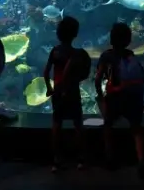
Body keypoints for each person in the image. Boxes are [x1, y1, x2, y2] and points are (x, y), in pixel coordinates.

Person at [94, 22, 144, 185]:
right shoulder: (131, 55)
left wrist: (100, 95)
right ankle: (141, 160)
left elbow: (98, 78)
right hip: (133, 98)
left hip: (115, 97)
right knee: (136, 129)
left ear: (111, 39)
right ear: (128, 40)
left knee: (108, 126)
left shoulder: (106, 56)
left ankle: (110, 158)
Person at [43, 16, 91, 173]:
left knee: (57, 124)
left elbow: (46, 72)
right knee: (78, 124)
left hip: (57, 91)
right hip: (72, 91)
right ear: (75, 34)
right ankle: (81, 159)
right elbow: (85, 74)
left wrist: (49, 88)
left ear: (58, 34)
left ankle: (56, 160)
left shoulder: (55, 51)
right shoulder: (78, 53)